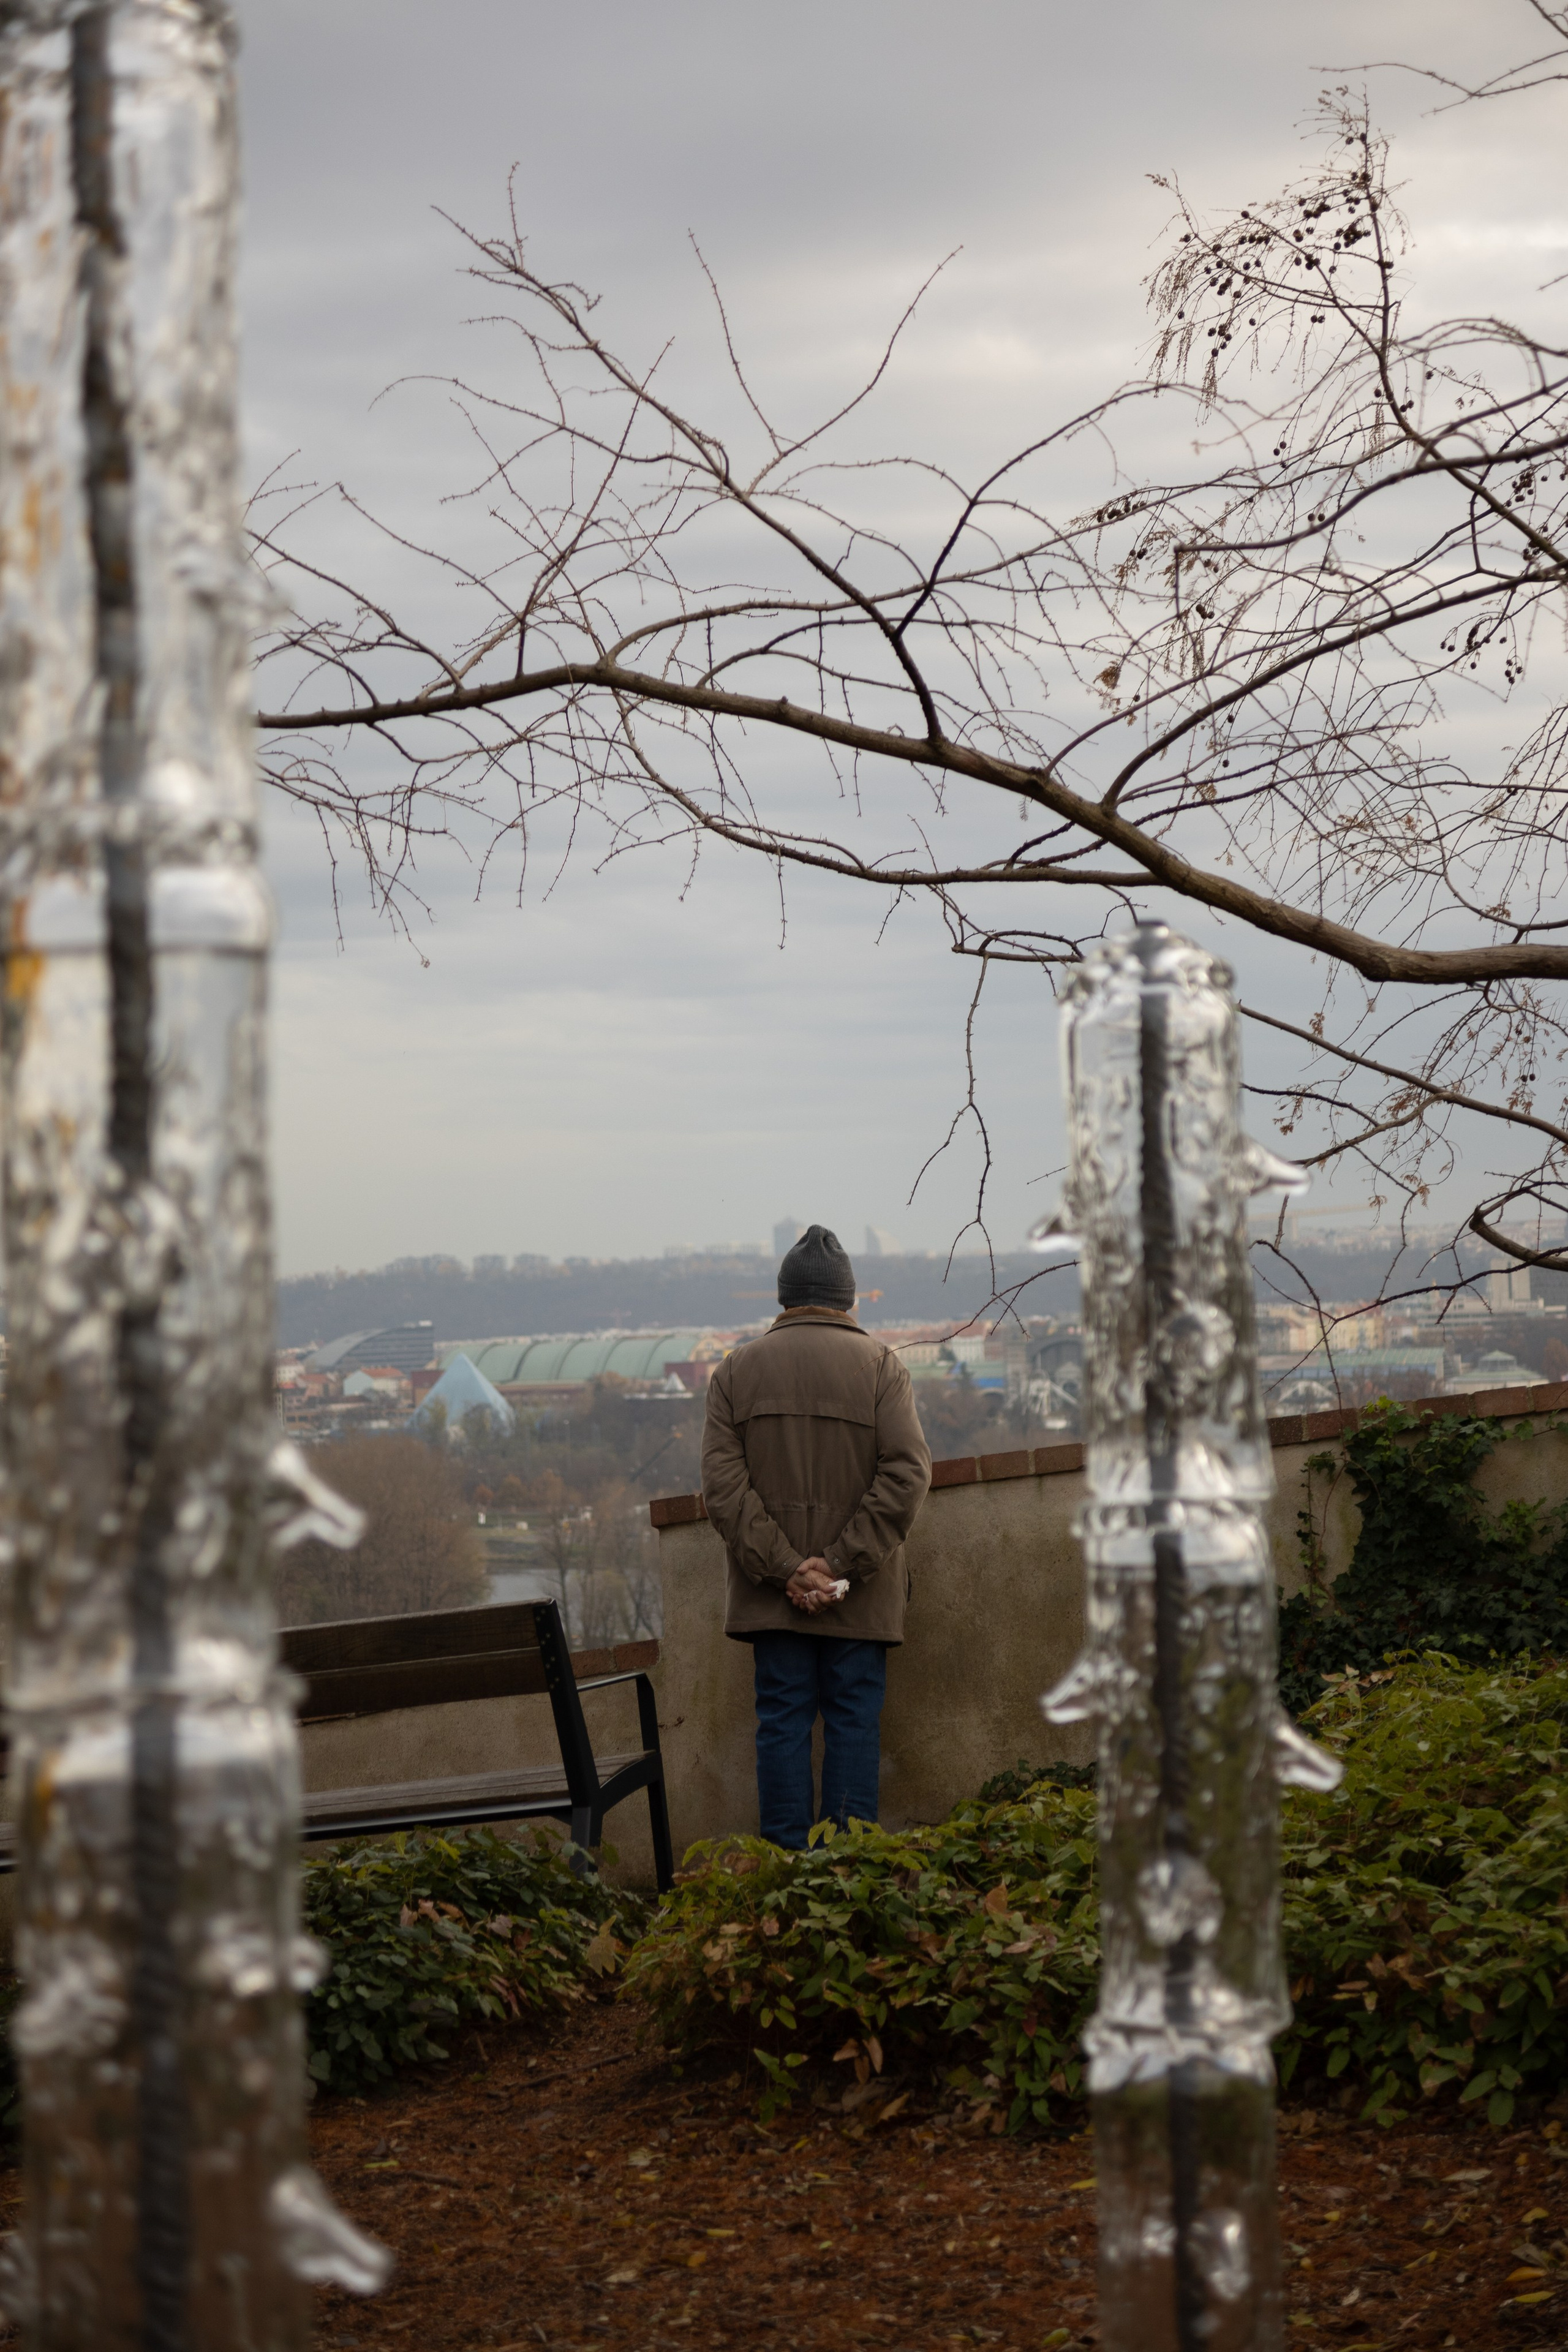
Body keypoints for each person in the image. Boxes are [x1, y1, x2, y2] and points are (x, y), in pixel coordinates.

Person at [701, 1224, 932, 1847]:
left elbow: (723, 1491)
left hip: (771, 1598)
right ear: (848, 1298)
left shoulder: (734, 1372)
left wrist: (785, 1570)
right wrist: (839, 1568)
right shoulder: (883, 1368)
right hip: (860, 1594)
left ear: (783, 1297)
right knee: (854, 1724)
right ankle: (847, 1871)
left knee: (781, 1723)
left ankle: (782, 1872)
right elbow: (907, 1474)